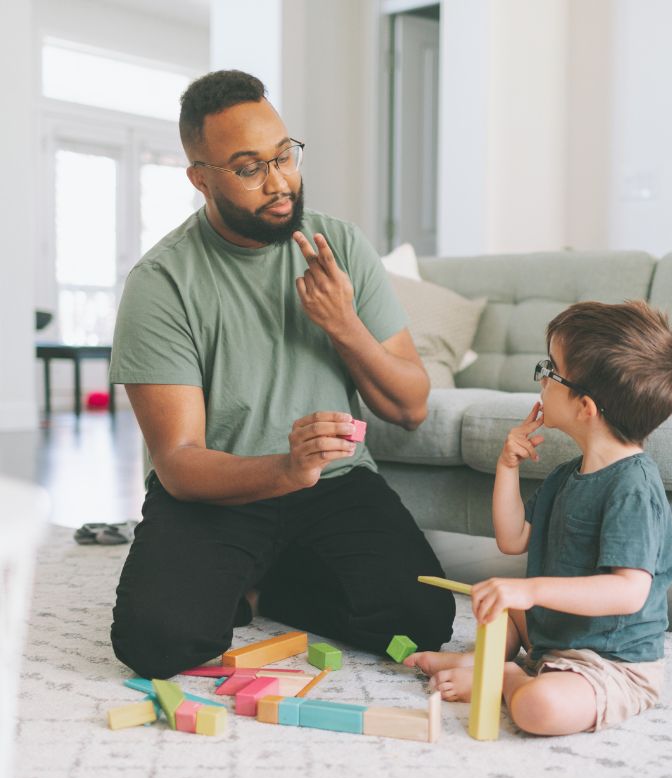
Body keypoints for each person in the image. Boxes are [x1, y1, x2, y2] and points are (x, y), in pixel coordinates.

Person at [109, 69, 455, 679]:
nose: (279, 182)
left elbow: (410, 406)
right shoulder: (161, 282)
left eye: (284, 155)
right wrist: (284, 469)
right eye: (249, 168)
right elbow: (180, 462)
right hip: (221, 488)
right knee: (157, 642)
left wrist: (344, 325)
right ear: (200, 179)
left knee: (421, 620)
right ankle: (250, 572)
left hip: (335, 482)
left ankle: (265, 590)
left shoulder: (339, 245)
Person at [405, 300, 672, 735]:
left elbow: (630, 592)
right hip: (551, 636)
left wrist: (531, 589)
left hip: (608, 662)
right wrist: (507, 467)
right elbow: (513, 538)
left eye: (550, 370)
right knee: (501, 607)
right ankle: (487, 660)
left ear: (586, 408)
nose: (541, 381)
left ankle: (504, 675)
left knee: (539, 710)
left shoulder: (632, 486)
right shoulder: (568, 476)